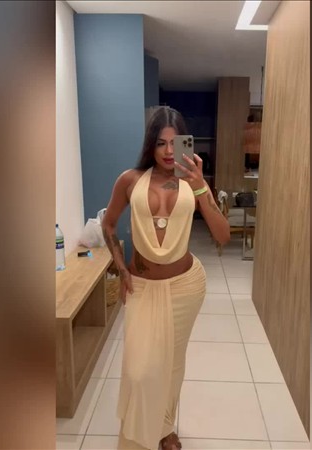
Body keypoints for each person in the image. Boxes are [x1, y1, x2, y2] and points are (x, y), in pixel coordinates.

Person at [102, 106, 230, 450]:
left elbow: (222, 235)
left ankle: (165, 428)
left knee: (172, 365)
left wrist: (201, 189)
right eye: (161, 143)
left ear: (186, 144)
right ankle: (138, 434)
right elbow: (108, 224)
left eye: (176, 143)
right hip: (142, 286)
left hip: (186, 286)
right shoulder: (130, 180)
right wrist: (121, 267)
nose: (169, 151)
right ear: (151, 144)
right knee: (139, 371)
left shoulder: (193, 183)